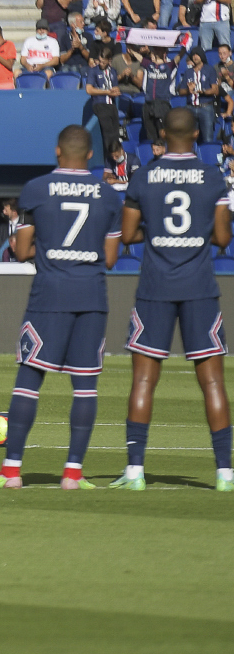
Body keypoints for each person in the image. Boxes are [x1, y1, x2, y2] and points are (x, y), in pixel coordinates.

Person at [0, 125, 122, 491]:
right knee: (85, 387)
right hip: (91, 297)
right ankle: (73, 474)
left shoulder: (36, 189)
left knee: (29, 381)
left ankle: (11, 472)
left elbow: (23, 251)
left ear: (58, 151)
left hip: (49, 295)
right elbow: (109, 258)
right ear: (90, 155)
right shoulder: (107, 196)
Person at [112, 106, 234, 491]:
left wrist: (159, 234)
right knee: (212, 381)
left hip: (155, 288)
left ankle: (134, 472)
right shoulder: (214, 177)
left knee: (144, 381)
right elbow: (223, 239)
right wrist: (194, 236)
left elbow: (128, 235)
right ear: (197, 134)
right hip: (199, 287)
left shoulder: (143, 176)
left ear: (161, 135)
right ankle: (225, 473)